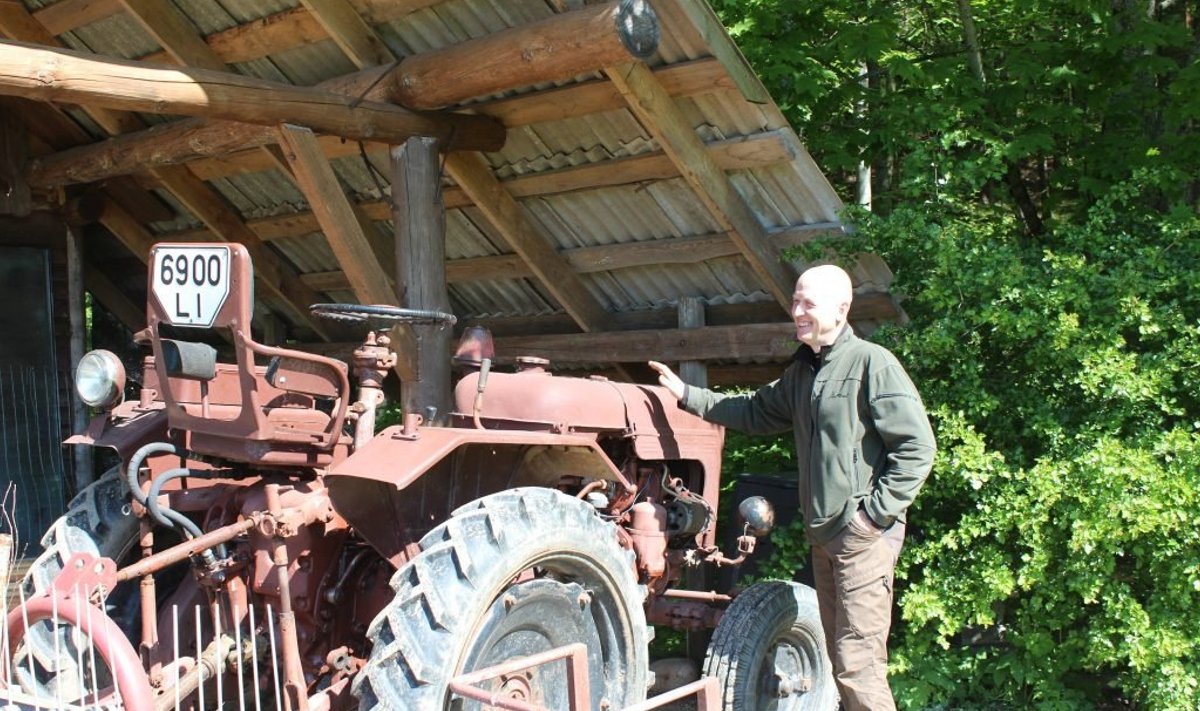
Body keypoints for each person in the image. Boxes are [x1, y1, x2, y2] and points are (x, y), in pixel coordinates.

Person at [648, 264, 935, 710]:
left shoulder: (871, 363)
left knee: (858, 665)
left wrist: (871, 517)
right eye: (795, 301)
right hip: (826, 536)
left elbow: (917, 448)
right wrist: (688, 394)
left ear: (841, 309)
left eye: (808, 303)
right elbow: (754, 411)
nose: (796, 311)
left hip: (863, 538)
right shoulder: (804, 372)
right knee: (839, 659)